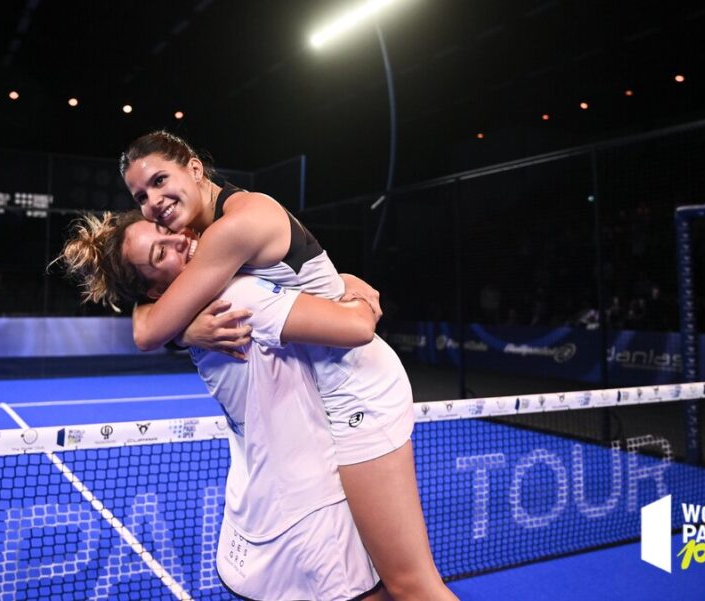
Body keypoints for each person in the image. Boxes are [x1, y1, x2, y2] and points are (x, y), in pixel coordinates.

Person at [106, 131, 454, 599]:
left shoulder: (230, 230)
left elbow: (150, 328)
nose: (153, 202)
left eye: (159, 180)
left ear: (194, 166)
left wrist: (181, 329)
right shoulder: (208, 230)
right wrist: (186, 330)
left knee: (410, 583)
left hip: (356, 386)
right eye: (139, 196)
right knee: (385, 583)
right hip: (330, 384)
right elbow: (151, 310)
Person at [63, 212, 388, 600]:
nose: (180, 241)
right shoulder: (236, 298)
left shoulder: (195, 308)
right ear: (154, 293)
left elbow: (148, 322)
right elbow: (356, 329)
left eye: (167, 232)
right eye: (159, 253)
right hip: (310, 505)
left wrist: (179, 333)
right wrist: (355, 293)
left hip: (256, 503)